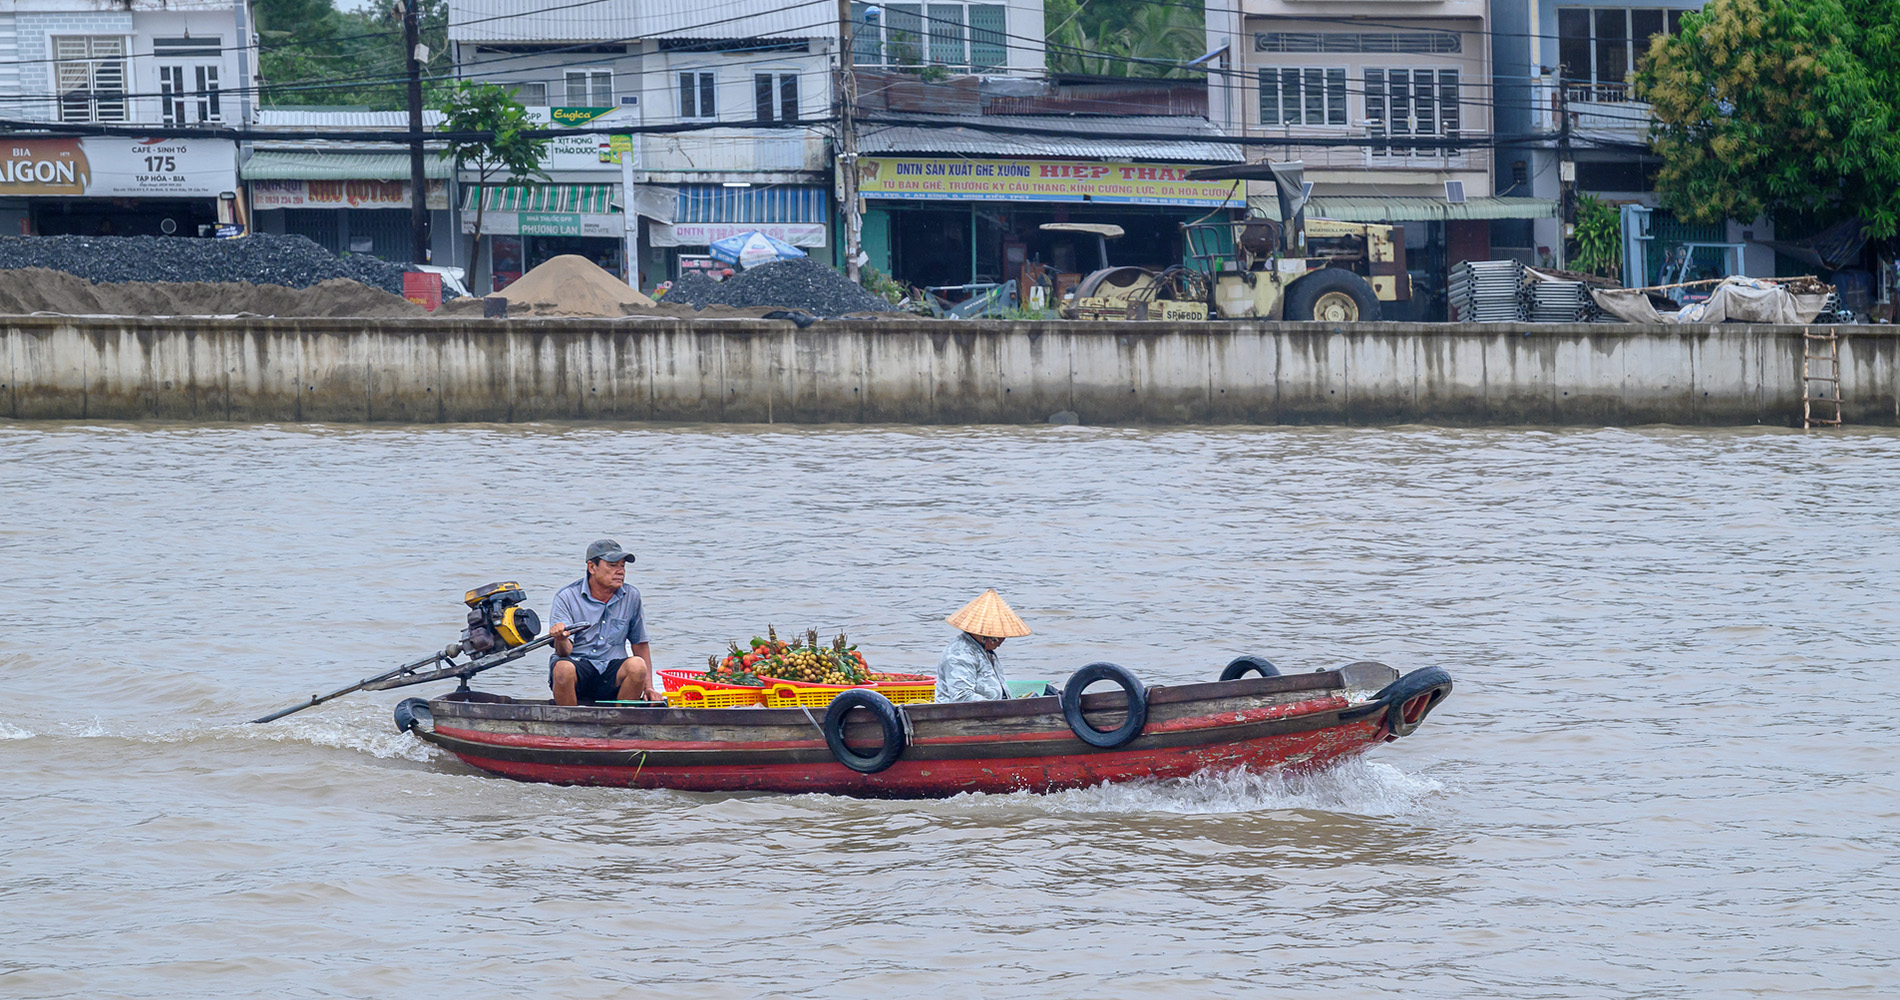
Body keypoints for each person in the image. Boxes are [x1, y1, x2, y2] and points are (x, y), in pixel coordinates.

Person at [548, 539, 659, 706]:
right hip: (578, 667)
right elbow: (564, 653)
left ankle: (621, 723)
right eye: (612, 565)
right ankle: (570, 724)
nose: (620, 571)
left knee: (637, 666)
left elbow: (640, 644)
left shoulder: (631, 596)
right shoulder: (566, 597)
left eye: (622, 566)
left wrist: (649, 688)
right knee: (563, 668)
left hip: (612, 674)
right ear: (592, 567)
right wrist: (561, 638)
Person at [934, 589, 1032, 703]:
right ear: (985, 636)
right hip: (962, 715)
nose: (1001, 642)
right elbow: (962, 697)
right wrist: (1000, 708)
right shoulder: (960, 654)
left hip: (990, 710)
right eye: (998, 638)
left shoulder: (985, 650)